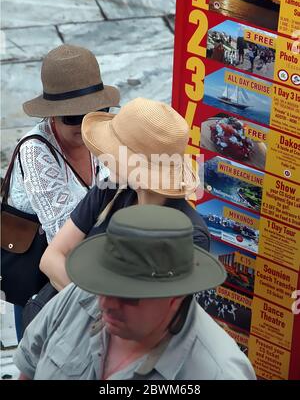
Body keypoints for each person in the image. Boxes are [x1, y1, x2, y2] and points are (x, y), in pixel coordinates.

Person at [15, 205, 256, 380]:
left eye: (128, 296)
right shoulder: (79, 296)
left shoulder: (218, 373)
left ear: (175, 296)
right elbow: (29, 370)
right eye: (104, 284)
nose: (106, 302)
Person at [7, 44, 120, 341]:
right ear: (53, 116)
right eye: (73, 117)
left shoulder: (100, 134)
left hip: (88, 270)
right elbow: (62, 235)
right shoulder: (35, 151)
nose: (86, 125)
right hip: (40, 281)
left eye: (97, 112)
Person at [40, 97, 211, 292]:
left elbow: (149, 310)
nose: (104, 156)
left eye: (114, 151)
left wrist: (91, 304)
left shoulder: (189, 235)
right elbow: (50, 258)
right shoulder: (111, 190)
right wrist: (93, 304)